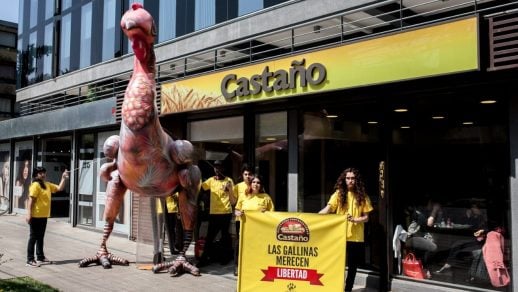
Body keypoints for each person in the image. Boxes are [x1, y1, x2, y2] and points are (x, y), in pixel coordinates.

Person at [319, 167, 373, 292]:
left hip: (356, 237)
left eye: (352, 178)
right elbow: (328, 209)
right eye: (348, 178)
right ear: (344, 180)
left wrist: (355, 219)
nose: (350, 181)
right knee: (337, 265)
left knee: (353, 267)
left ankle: (348, 289)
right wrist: (313, 218)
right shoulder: (338, 194)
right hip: (340, 236)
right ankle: (336, 287)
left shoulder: (363, 196)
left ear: (356, 180)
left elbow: (366, 218)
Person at [26, 166, 69, 267]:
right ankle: (30, 259)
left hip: (44, 215)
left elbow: (59, 188)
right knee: (33, 237)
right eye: (40, 173)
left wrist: (63, 178)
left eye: (44, 172)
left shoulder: (47, 184)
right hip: (35, 215)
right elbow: (30, 200)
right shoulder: (35, 185)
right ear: (36, 175)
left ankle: (40, 257)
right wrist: (28, 214)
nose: (43, 174)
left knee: (40, 237)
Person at [197, 160, 236, 267]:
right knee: (209, 237)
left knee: (225, 237)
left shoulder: (229, 181)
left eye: (219, 167)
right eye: (215, 167)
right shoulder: (211, 180)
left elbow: (233, 201)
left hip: (226, 213)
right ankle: (204, 259)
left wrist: (229, 190)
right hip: (214, 213)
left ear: (223, 169)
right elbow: (201, 187)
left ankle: (225, 258)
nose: (217, 169)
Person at [234, 175, 274, 276]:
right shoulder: (244, 196)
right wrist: (237, 213)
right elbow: (236, 209)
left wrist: (267, 213)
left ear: (261, 185)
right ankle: (237, 267)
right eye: (254, 182)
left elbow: (272, 214)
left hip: (259, 231)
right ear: (250, 184)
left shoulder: (266, 197)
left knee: (257, 249)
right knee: (240, 247)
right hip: (244, 228)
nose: (256, 184)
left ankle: (257, 268)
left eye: (258, 182)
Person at [435, 202, 487, 274]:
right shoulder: (477, 217)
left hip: (481, 240)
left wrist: (477, 234)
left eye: (474, 207)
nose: (473, 209)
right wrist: (468, 216)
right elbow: (472, 227)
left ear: (479, 208)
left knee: (458, 244)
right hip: (476, 238)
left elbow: (479, 231)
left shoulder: (483, 218)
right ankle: (449, 263)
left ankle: (449, 263)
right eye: (472, 207)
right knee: (457, 243)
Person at [404, 197, 441, 278]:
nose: (432, 206)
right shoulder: (419, 213)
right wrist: (434, 210)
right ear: (429, 203)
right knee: (433, 247)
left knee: (432, 242)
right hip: (411, 238)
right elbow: (429, 223)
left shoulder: (420, 211)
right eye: (432, 204)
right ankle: (425, 269)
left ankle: (425, 268)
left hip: (416, 236)